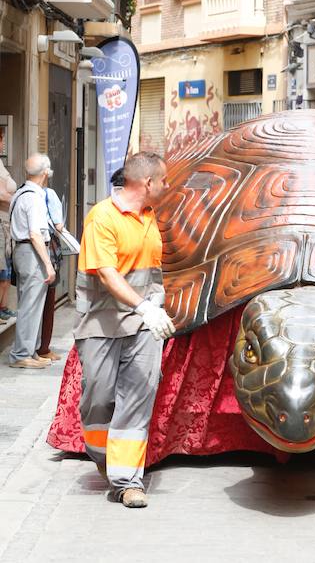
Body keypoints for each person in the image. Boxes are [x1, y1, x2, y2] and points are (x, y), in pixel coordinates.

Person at [75, 152, 175, 509]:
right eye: (163, 180)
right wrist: (144, 306)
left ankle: (128, 481)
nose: (167, 185)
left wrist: (154, 309)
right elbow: (107, 273)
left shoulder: (150, 218)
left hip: (142, 327)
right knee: (98, 400)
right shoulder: (102, 217)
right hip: (101, 324)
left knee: (138, 397)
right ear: (147, 184)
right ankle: (104, 458)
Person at [8, 154, 56, 369]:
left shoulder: (19, 193)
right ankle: (21, 354)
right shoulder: (34, 197)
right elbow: (35, 234)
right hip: (32, 252)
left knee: (32, 303)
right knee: (30, 305)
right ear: (45, 173)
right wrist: (47, 264)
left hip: (22, 251)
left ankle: (30, 350)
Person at [36, 186, 64, 361]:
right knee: (47, 302)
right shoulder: (49, 193)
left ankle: (33, 348)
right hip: (47, 248)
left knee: (31, 303)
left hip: (25, 249)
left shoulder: (22, 192)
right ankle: (44, 348)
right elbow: (58, 225)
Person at [0, 161, 17, 321]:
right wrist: (19, 200)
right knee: (2, 269)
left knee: (6, 271)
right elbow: (1, 194)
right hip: (1, 222)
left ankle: (3, 307)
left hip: (6, 222)